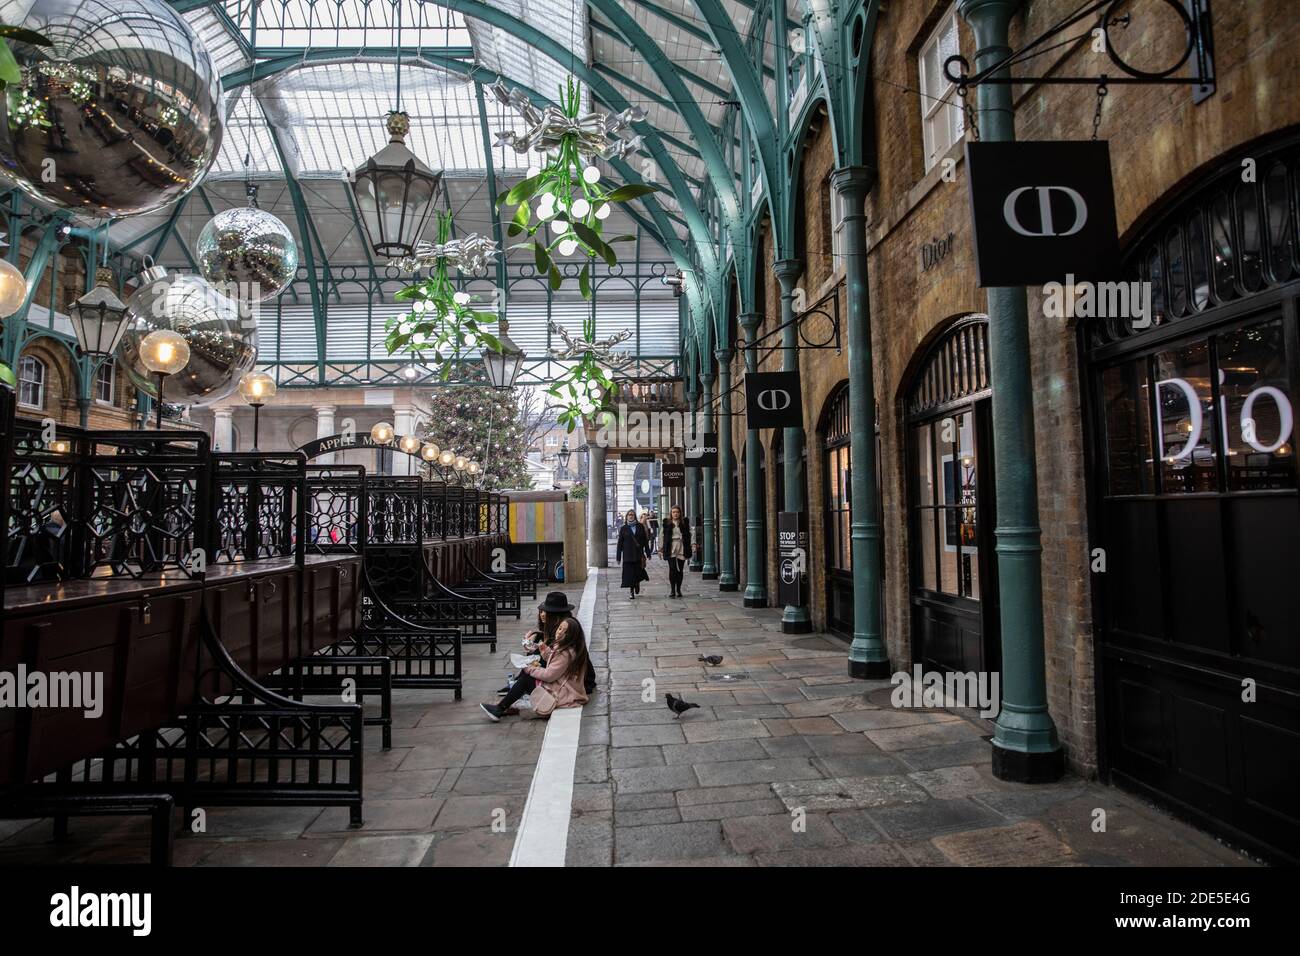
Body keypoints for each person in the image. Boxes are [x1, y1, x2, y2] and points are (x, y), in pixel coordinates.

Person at [481, 592, 590, 721]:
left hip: (565, 691)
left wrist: (529, 669)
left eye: (546, 612)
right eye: (559, 629)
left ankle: (500, 708)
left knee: (527, 679)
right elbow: (552, 658)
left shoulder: (565, 652)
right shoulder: (566, 643)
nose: (542, 614)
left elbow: (550, 674)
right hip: (563, 684)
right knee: (527, 677)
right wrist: (542, 648)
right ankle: (506, 702)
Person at [616, 508, 650, 599]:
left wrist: (648, 552)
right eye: (629, 515)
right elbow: (620, 543)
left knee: (637, 572)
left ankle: (637, 583)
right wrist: (618, 557)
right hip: (628, 555)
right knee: (630, 574)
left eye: (632, 514)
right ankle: (631, 591)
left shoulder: (640, 526)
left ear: (635, 516)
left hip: (638, 554)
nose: (631, 516)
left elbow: (645, 541)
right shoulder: (623, 528)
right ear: (627, 516)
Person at [660, 504, 691, 598]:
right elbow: (662, 535)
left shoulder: (684, 523)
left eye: (677, 512)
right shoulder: (667, 524)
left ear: (680, 513)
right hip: (671, 547)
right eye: (673, 512)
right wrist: (660, 548)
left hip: (681, 547)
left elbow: (690, 534)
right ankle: (672, 590)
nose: (675, 514)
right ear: (671, 513)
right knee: (672, 569)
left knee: (680, 570)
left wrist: (692, 544)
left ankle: (678, 589)